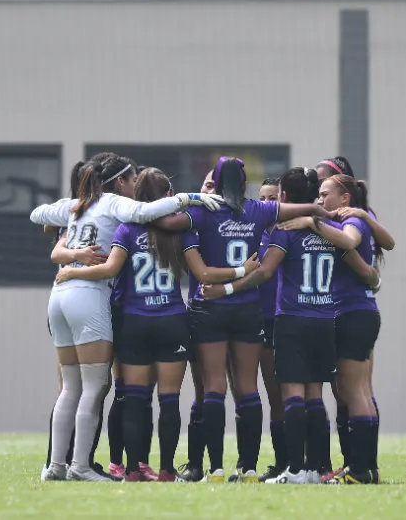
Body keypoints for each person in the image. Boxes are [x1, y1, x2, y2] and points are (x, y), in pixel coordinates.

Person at [34, 154, 223, 481]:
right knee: (109, 389)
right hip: (111, 301)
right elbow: (145, 216)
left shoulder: (83, 209)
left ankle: (64, 466)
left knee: (77, 389)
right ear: (120, 181)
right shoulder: (123, 210)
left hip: (71, 298)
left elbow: (39, 215)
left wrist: (73, 255)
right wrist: (190, 198)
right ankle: (87, 466)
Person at [154, 157, 330, 483]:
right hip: (248, 308)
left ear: (217, 182)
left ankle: (217, 469)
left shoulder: (203, 212)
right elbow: (297, 209)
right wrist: (321, 211)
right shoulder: (258, 210)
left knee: (214, 388)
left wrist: (191, 198)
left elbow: (164, 223)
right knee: (249, 389)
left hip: (211, 308)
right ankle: (248, 468)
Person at [201, 167, 374, 484]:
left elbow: (265, 272)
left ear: (283, 197)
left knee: (291, 394)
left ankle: (294, 468)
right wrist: (372, 277)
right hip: (325, 320)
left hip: (293, 319)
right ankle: (317, 468)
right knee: (315, 396)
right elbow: (359, 258)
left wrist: (225, 288)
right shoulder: (331, 229)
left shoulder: (285, 232)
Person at [41, 158, 112, 481]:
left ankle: (57, 464)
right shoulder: (96, 210)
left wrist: (71, 258)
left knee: (71, 387)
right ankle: (78, 465)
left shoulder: (74, 212)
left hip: (60, 298)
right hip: (85, 297)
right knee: (91, 386)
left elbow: (52, 241)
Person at [316, 174, 383, 485]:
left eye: (324, 193)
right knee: (357, 390)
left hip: (353, 312)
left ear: (345, 198)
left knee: (353, 390)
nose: (320, 199)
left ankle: (359, 470)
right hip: (362, 312)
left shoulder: (350, 221)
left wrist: (310, 223)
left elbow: (350, 241)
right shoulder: (358, 216)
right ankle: (365, 467)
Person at [179, 169, 217, 482]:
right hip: (203, 312)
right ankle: (196, 464)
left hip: (245, 314)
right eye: (207, 184)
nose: (211, 190)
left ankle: (249, 465)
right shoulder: (192, 220)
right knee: (203, 391)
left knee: (249, 391)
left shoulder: (244, 218)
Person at [251, 178, 288, 482]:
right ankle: (282, 462)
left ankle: (314, 460)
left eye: (271, 198)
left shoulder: (290, 231)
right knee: (274, 393)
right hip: (261, 319)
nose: (265, 204)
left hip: (288, 318)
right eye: (261, 198)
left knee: (299, 394)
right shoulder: (253, 234)